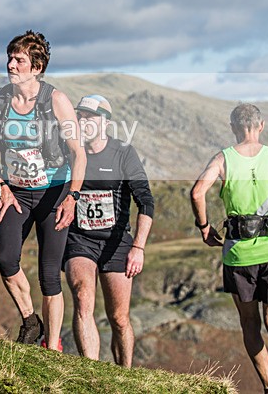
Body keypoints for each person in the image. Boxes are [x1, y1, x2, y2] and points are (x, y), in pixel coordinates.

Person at [0, 31, 85, 349]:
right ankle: (29, 319)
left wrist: (73, 196)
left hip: (54, 192)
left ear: (36, 67)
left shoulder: (55, 101)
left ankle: (51, 345)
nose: (11, 64)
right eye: (10, 58)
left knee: (49, 274)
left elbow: (79, 152)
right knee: (6, 260)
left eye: (19, 60)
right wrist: (1, 186)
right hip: (16, 192)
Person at [191, 103, 268, 394]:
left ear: (233, 127)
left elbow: (197, 192)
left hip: (239, 254)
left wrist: (204, 227)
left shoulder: (223, 159)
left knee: (250, 324)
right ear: (261, 126)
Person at [63, 95, 154, 367]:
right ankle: (92, 373)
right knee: (82, 297)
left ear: (104, 122)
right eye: (80, 116)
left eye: (89, 117)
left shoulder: (123, 152)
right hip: (79, 240)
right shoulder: (70, 150)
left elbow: (146, 201)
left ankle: (124, 373)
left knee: (119, 317)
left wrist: (138, 248)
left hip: (116, 242)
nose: (83, 121)